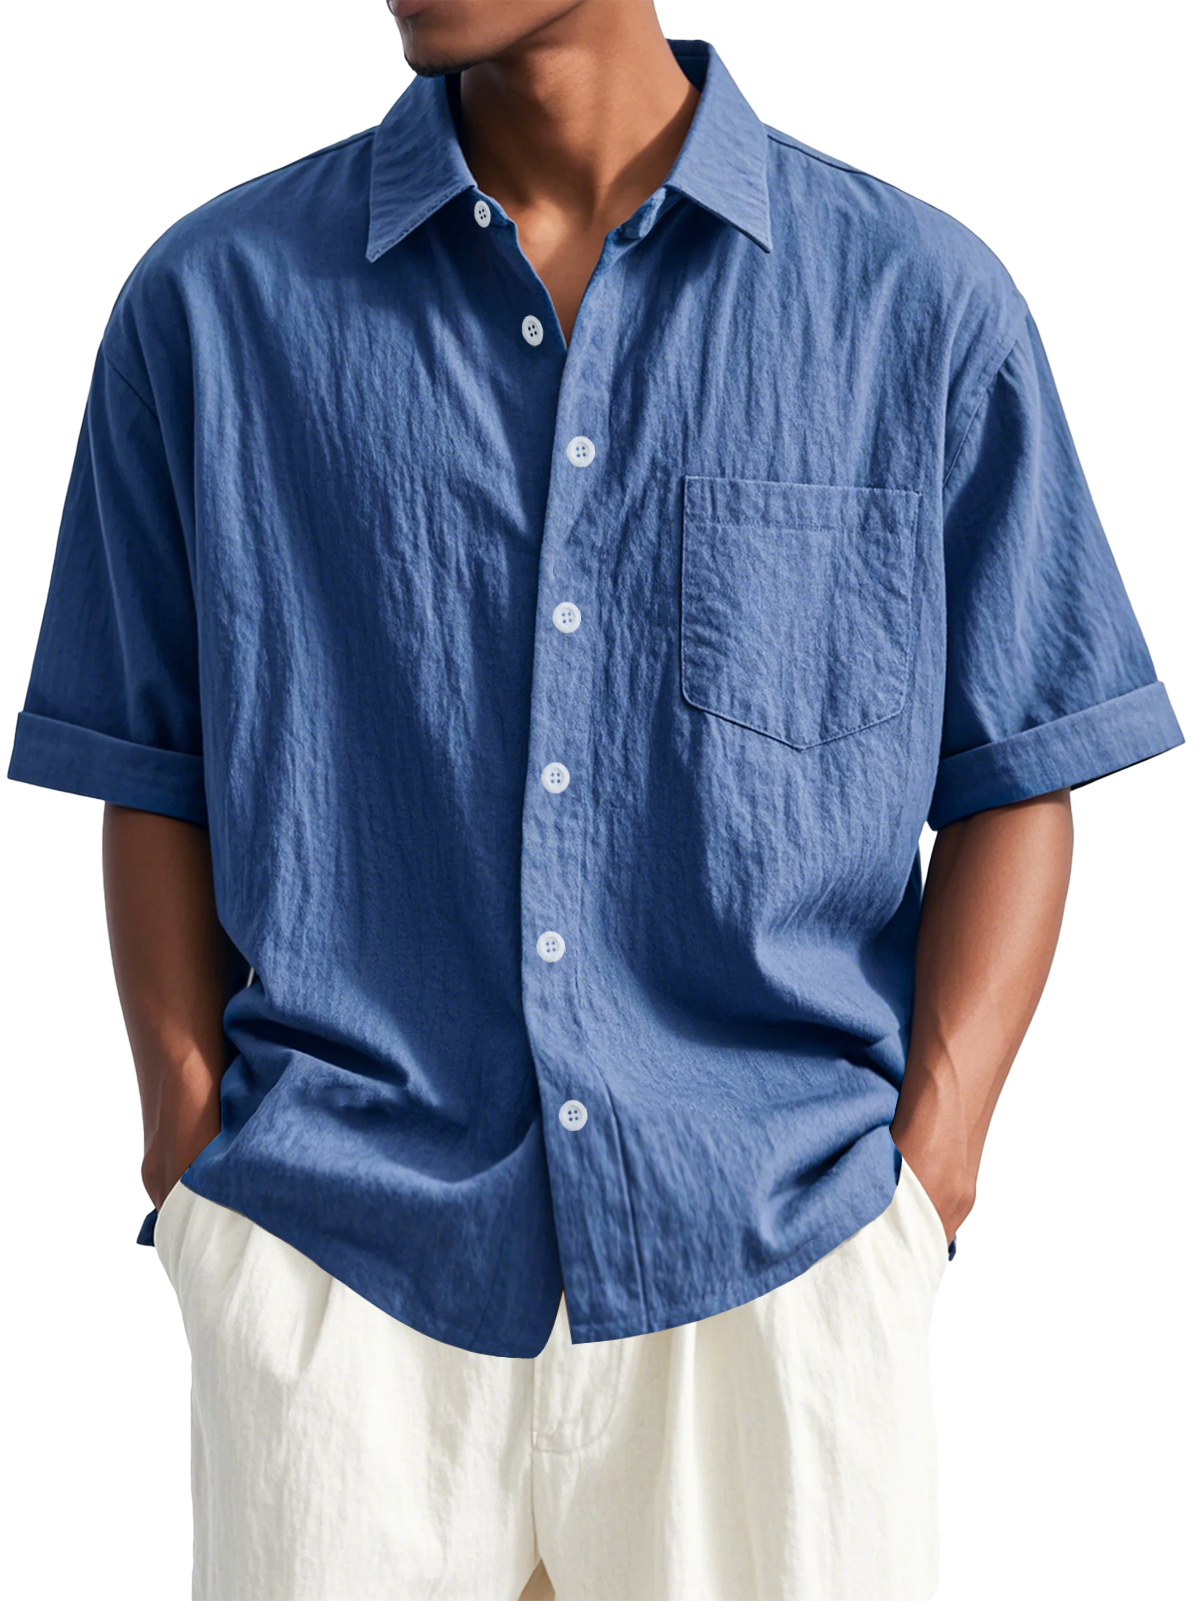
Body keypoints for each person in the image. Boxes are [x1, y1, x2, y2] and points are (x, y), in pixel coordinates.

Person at [7, 2, 1184, 1597]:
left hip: (775, 1257)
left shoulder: (913, 305)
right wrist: (191, 1150)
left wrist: (928, 1175)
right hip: (341, 1265)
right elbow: (150, 761)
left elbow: (1020, 763)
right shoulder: (213, 307)